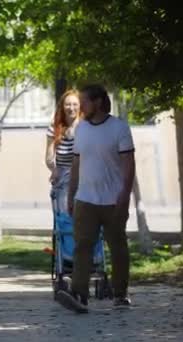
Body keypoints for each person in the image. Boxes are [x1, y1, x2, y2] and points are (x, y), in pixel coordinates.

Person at [57, 84, 136, 314]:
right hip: (85, 199)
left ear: (98, 102)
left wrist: (125, 195)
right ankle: (80, 295)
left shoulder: (119, 128)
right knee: (82, 246)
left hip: (113, 200)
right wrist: (71, 195)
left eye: (84, 102)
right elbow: (76, 163)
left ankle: (120, 295)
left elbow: (129, 166)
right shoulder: (81, 129)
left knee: (118, 248)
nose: (81, 106)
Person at [45, 89, 82, 215]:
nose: (71, 108)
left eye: (75, 104)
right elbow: (49, 157)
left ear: (80, 106)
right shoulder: (55, 126)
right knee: (66, 217)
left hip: (84, 176)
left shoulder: (86, 126)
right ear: (62, 106)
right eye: (68, 104)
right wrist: (54, 171)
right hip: (63, 175)